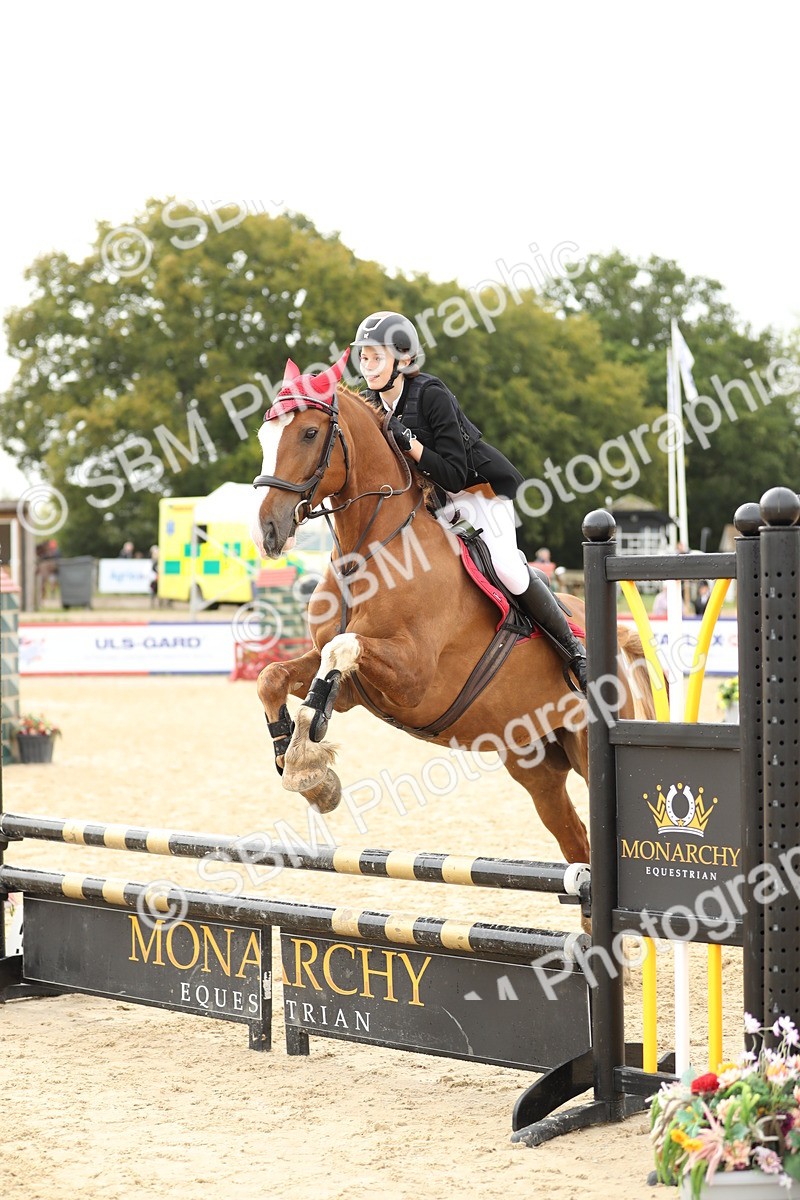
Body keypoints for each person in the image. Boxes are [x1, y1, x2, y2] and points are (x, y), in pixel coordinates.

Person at [351, 310, 587, 693]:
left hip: (479, 493)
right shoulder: (369, 402)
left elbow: (454, 474)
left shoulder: (431, 394)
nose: (368, 365)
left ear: (404, 359)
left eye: (376, 357)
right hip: (434, 505)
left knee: (507, 568)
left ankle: (576, 653)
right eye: (363, 357)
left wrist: (409, 443)